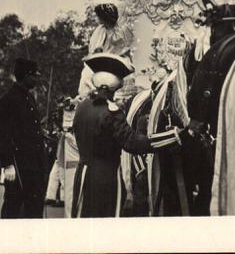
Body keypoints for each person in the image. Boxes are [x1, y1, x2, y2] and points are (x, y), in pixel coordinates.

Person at [71, 53, 183, 218]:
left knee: (85, 220)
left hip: (83, 175)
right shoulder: (111, 112)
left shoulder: (82, 107)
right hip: (107, 177)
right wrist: (171, 136)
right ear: (114, 86)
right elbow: (132, 143)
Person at [0, 57, 48, 219]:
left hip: (34, 163)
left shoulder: (29, 97)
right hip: (19, 164)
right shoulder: (8, 100)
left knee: (34, 206)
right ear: (25, 76)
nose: (36, 79)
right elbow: (2, 135)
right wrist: (7, 164)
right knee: (13, 206)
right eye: (34, 76)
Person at [78, 4, 133, 99]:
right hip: (113, 60)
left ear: (103, 18)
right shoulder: (104, 30)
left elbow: (97, 49)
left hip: (108, 62)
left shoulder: (105, 31)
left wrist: (93, 55)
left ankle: (88, 95)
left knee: (87, 73)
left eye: (97, 15)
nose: (96, 18)